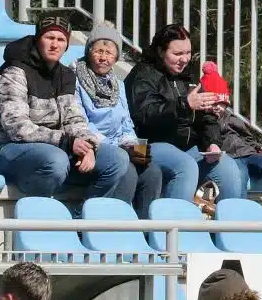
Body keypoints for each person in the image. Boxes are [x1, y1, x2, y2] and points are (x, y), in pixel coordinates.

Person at [128, 23, 262, 202]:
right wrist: (184, 104)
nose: (184, 59)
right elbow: (144, 115)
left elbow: (207, 116)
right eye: (177, 54)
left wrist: (212, 143)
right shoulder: (143, 74)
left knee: (229, 169)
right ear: (161, 52)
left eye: (188, 53)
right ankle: (177, 222)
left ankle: (230, 222)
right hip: (147, 145)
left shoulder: (186, 76)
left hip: (188, 147)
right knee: (186, 166)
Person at [0, 14, 130, 201]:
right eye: (49, 38)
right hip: (3, 149)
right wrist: (68, 142)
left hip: (53, 149)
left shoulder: (65, 75)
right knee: (56, 160)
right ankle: (38, 209)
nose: (55, 45)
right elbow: (18, 128)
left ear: (67, 45)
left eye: (61, 40)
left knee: (117, 159)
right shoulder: (13, 72)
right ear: (38, 39)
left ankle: (83, 213)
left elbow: (74, 119)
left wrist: (88, 146)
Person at [76, 23, 193, 215]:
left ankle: (146, 227)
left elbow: (126, 124)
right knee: (128, 169)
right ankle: (115, 222)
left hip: (121, 144)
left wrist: (134, 146)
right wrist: (119, 147)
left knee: (151, 169)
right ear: (89, 52)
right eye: (99, 51)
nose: (104, 57)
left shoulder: (117, 84)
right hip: (95, 143)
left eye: (109, 52)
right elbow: (81, 121)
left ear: (116, 57)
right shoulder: (75, 79)